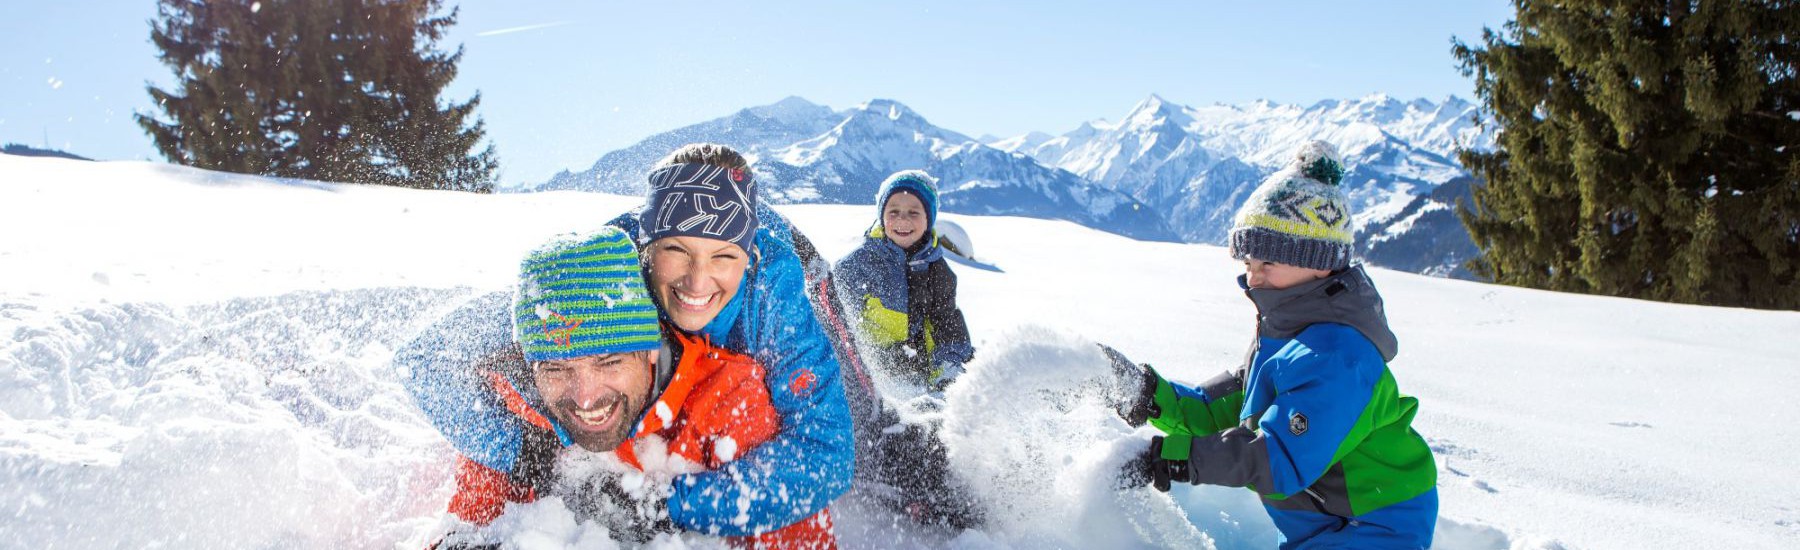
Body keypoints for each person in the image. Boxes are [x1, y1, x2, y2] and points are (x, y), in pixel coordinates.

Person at [401, 144, 854, 540]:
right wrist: (524, 452)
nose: (697, 281)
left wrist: (671, 504)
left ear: (747, 255)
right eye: (677, 250)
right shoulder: (605, 269)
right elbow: (424, 358)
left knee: (806, 410)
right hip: (661, 380)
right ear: (646, 247)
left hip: (752, 358)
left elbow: (828, 452)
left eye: (722, 256)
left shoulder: (772, 296)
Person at [1112, 141, 1439, 549]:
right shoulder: (1284, 332)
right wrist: (1149, 395)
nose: (1254, 278)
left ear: (1319, 262)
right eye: (1249, 264)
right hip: (1325, 520)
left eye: (1269, 263)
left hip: (1373, 526)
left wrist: (1171, 458)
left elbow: (1275, 455)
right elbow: (1228, 408)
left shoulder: (1339, 358)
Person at [435, 227, 833, 547]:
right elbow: (469, 518)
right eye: (556, 368)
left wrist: (669, 507)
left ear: (651, 352)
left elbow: (801, 532)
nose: (585, 396)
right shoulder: (519, 406)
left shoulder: (730, 401)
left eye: (608, 362)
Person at [833, 170, 975, 392]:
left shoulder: (939, 272)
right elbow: (835, 325)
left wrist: (948, 376)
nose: (902, 219)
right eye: (894, 211)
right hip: (870, 381)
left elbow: (948, 328)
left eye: (914, 212)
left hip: (923, 378)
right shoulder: (858, 265)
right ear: (882, 216)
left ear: (929, 218)